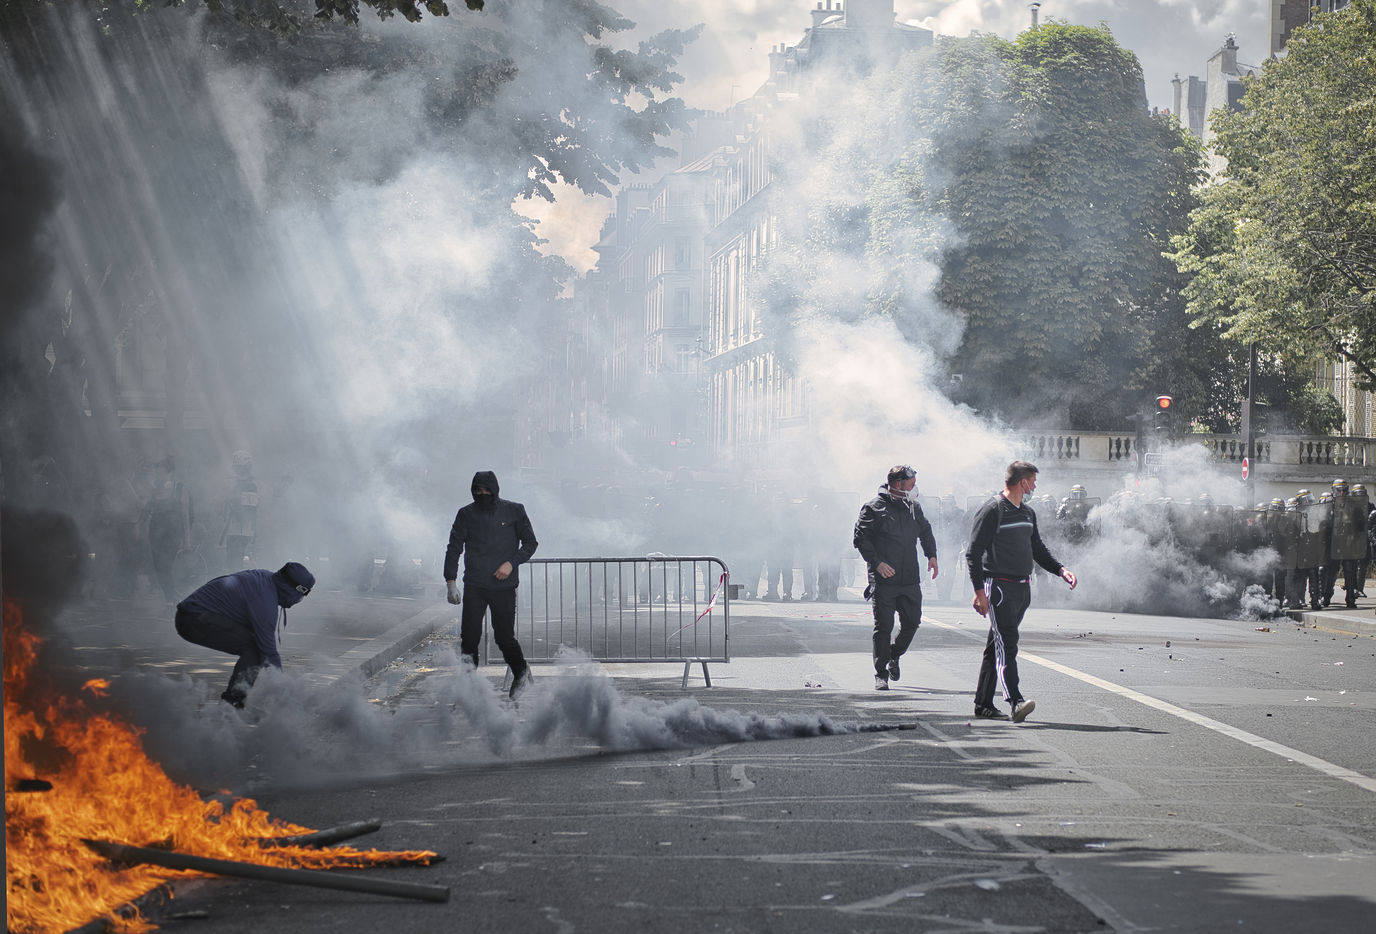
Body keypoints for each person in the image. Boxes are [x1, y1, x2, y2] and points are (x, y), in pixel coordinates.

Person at [966, 461, 1076, 722]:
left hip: (1022, 589)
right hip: (999, 588)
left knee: (996, 645)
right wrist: (979, 592)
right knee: (1008, 644)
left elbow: (1037, 548)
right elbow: (973, 553)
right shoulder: (992, 509)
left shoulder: (1028, 513)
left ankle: (983, 704)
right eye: (1033, 481)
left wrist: (1060, 570)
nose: (1035, 486)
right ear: (1023, 482)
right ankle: (1015, 701)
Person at [443, 470, 539, 699]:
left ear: (495, 490)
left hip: (503, 586)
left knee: (504, 637)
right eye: (478, 490)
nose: (482, 494)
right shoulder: (466, 514)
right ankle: (468, 685)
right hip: (475, 584)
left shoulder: (514, 510)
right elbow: (454, 548)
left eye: (486, 490)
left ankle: (521, 672)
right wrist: (450, 581)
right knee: (469, 638)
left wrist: (511, 563)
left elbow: (530, 543)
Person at [174, 561, 315, 708]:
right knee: (255, 649)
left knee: (255, 645)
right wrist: (282, 689)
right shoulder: (265, 602)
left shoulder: (267, 579)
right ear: (291, 589)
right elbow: (269, 652)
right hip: (193, 619)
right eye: (300, 595)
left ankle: (235, 701)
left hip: (192, 612)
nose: (299, 600)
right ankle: (232, 705)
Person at [852, 465, 938, 691]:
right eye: (911, 483)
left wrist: (932, 555)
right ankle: (881, 673)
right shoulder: (873, 508)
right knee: (884, 626)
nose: (914, 488)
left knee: (912, 622)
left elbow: (925, 531)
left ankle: (893, 654)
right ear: (898, 484)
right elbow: (861, 539)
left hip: (909, 578)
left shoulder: (914, 507)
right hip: (884, 580)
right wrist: (877, 563)